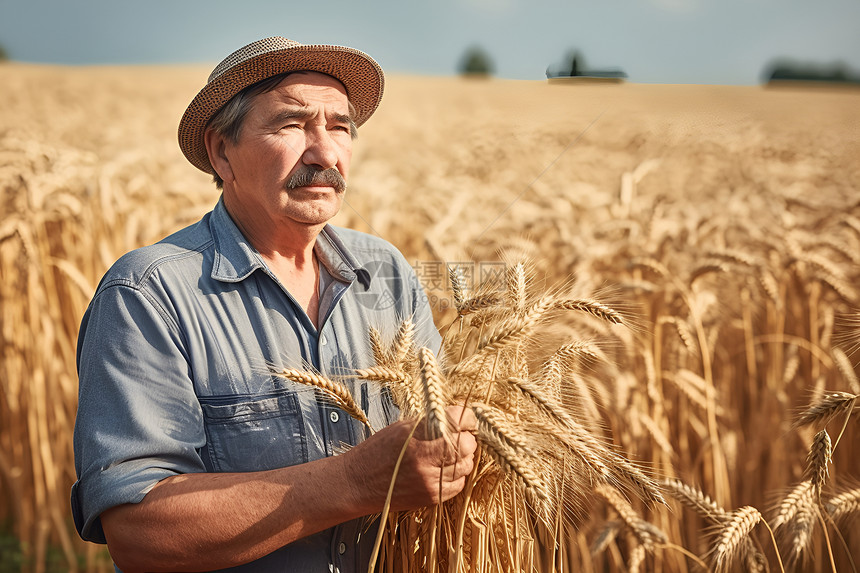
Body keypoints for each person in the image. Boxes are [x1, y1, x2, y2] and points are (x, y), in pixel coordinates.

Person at [72, 36, 478, 572]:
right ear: (222, 152)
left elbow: (436, 436)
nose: (325, 152)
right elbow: (138, 533)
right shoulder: (149, 294)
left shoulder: (385, 270)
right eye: (291, 124)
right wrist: (358, 480)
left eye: (340, 126)